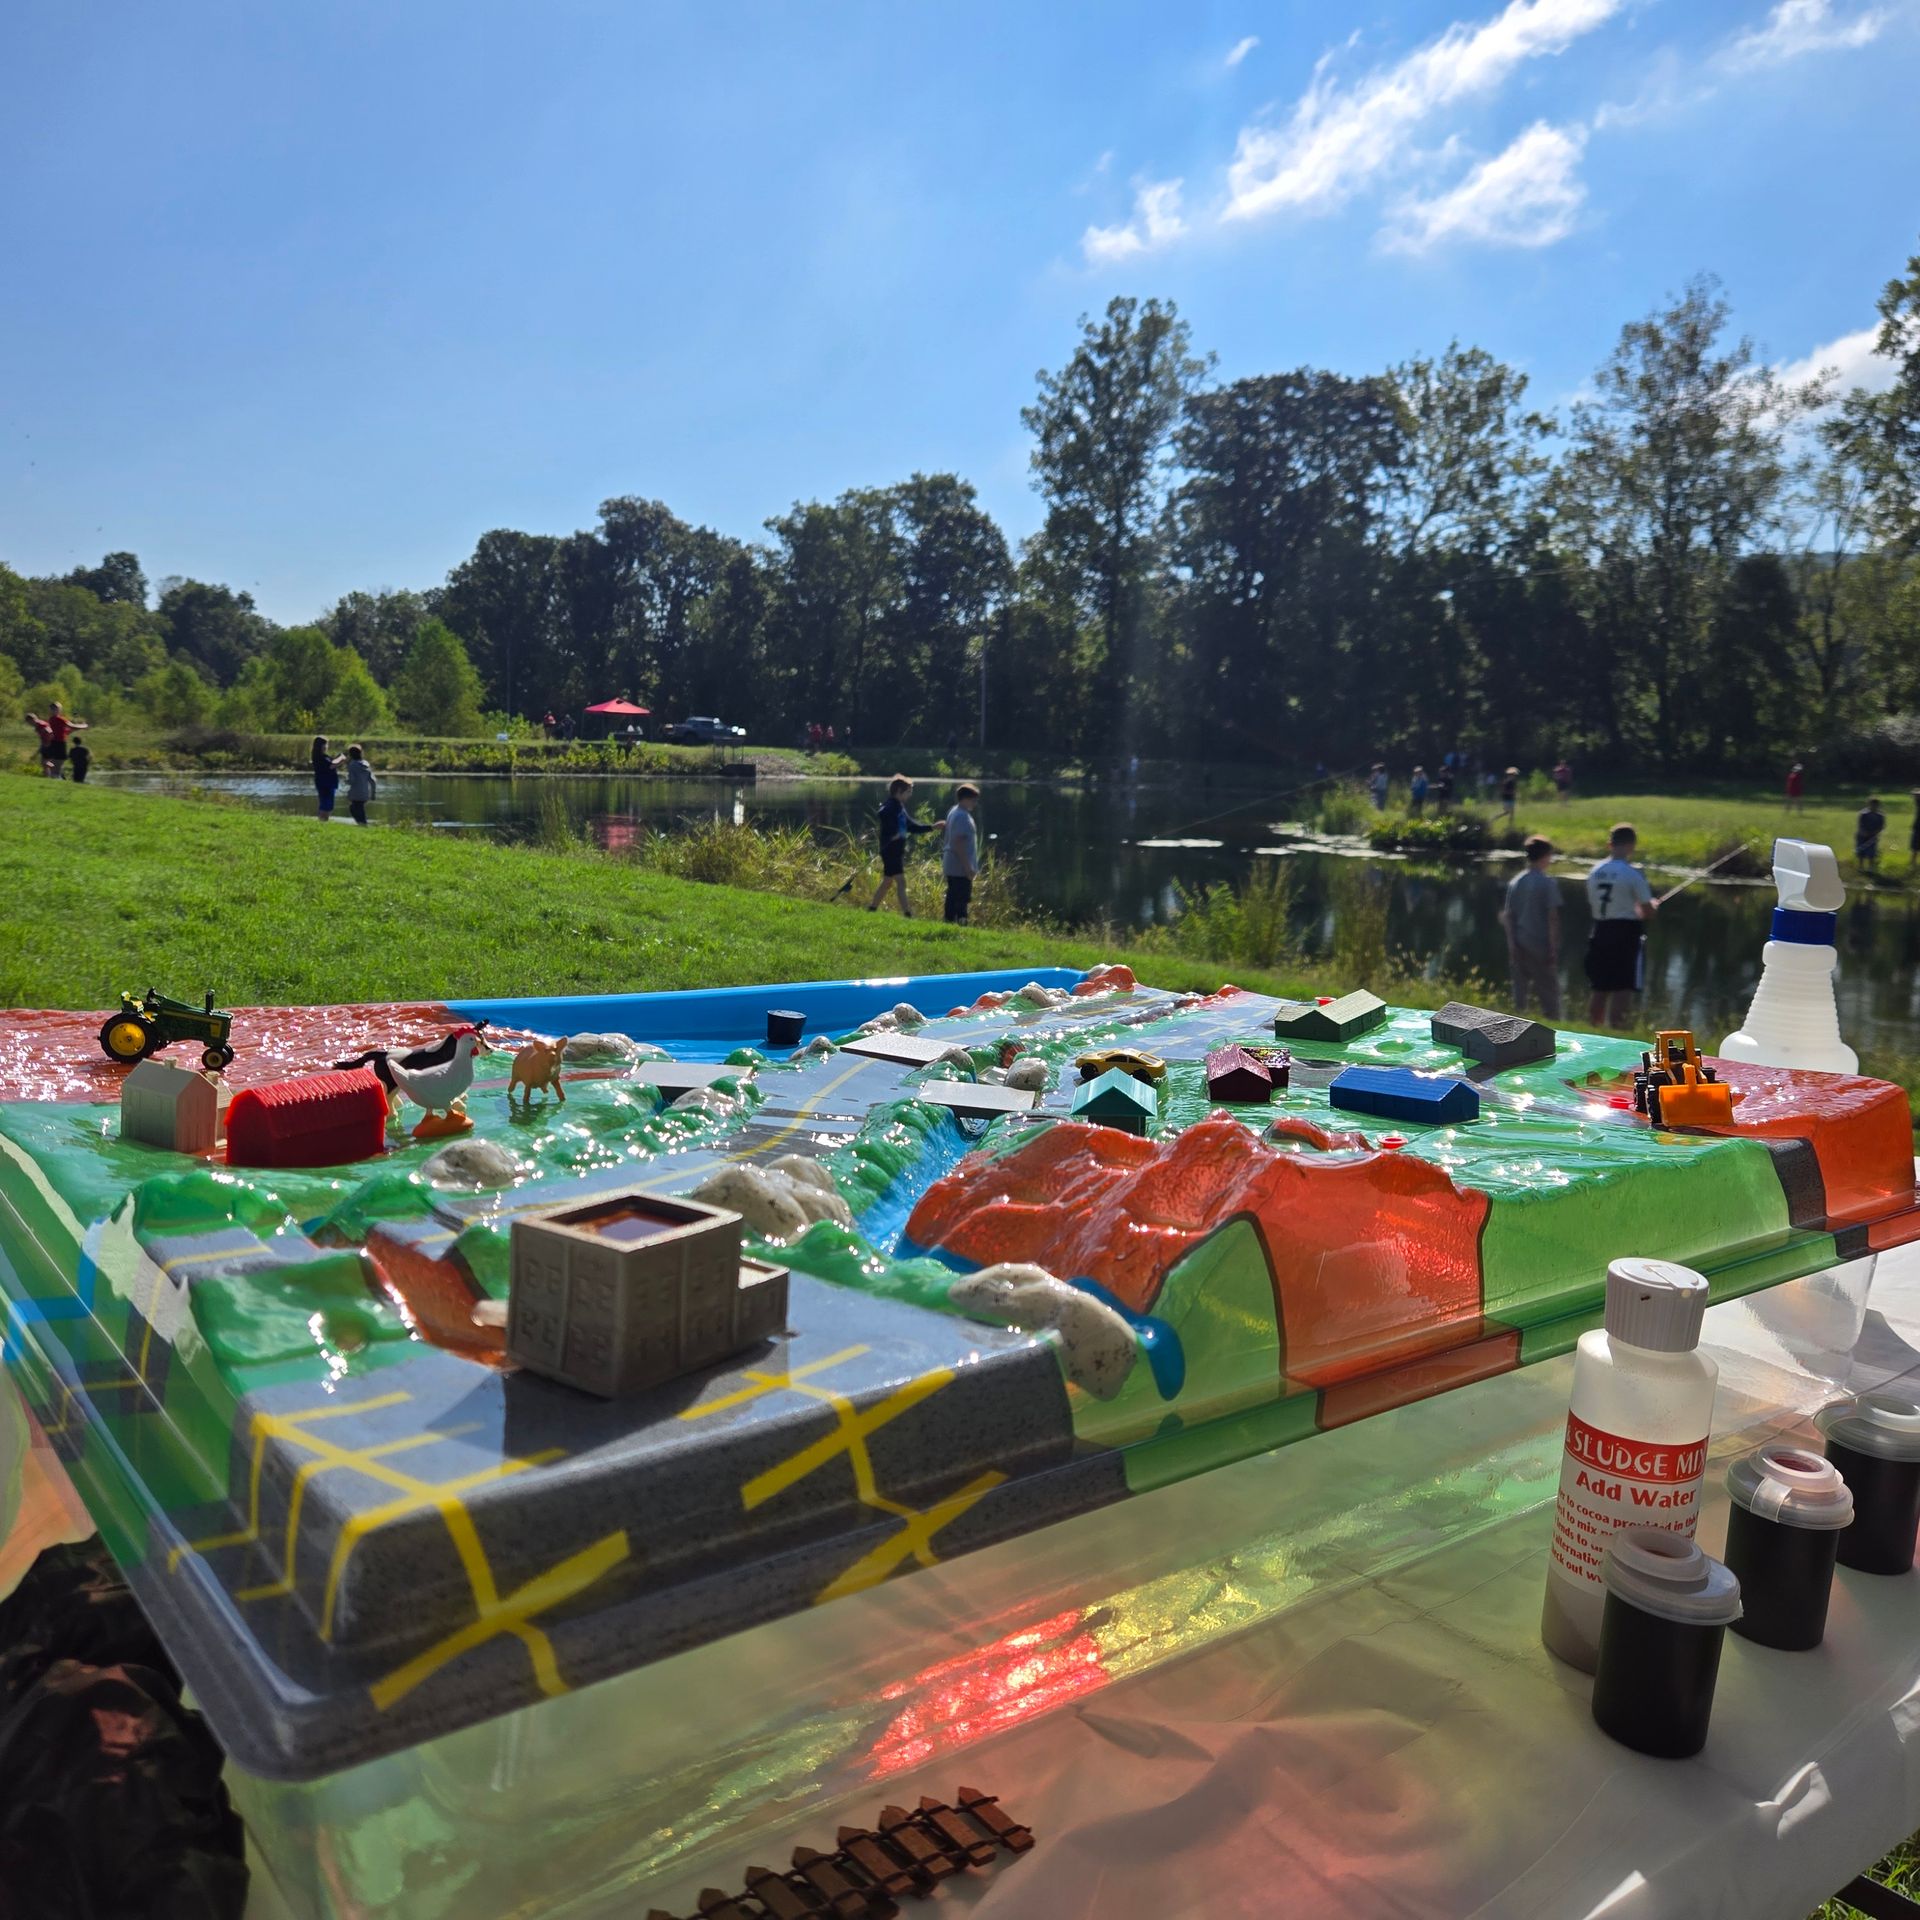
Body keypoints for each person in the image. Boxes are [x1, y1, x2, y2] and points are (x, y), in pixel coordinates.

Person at [1584, 823, 1656, 1030]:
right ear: (1631, 846)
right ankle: (1618, 1030)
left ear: (1610, 844)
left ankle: (1594, 1029)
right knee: (1623, 986)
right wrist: (1652, 906)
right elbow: (1647, 912)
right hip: (1626, 933)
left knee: (1599, 986)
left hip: (1599, 930)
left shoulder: (1594, 871)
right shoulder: (1632, 874)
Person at [1502, 835, 1562, 1018]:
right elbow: (1552, 917)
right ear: (1544, 856)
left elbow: (1509, 916)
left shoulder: (1516, 882)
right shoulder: (1547, 883)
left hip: (1519, 940)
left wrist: (1511, 944)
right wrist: (1553, 947)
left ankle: (1517, 1023)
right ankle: (1553, 1023)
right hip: (1540, 943)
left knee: (1520, 991)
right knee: (1548, 991)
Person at [866, 775, 935, 914]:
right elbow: (882, 813)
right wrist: (894, 831)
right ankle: (907, 913)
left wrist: (932, 827)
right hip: (890, 850)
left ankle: (872, 908)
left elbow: (912, 826)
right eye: (908, 792)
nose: (910, 795)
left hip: (896, 851)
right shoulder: (891, 805)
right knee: (901, 881)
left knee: (887, 882)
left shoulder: (900, 807)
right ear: (899, 791)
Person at [942, 783, 981, 923]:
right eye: (974, 800)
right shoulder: (962, 816)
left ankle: (949, 922)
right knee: (962, 898)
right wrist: (968, 867)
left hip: (952, 864)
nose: (975, 803)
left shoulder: (954, 811)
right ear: (965, 799)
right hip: (959, 866)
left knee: (953, 895)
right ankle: (961, 924)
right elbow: (958, 843)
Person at [28, 700, 87, 778]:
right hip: (59, 743)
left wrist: (75, 728)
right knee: (58, 765)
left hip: (53, 743)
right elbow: (72, 726)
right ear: (57, 710)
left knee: (52, 764)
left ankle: (56, 777)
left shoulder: (51, 719)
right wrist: (84, 726)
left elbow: (65, 731)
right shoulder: (60, 719)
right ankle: (57, 778)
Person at [342, 744, 377, 826]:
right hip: (365, 793)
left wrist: (346, 780)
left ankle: (363, 825)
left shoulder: (352, 765)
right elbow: (372, 780)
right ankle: (362, 824)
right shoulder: (366, 764)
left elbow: (352, 781)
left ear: (350, 754)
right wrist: (373, 793)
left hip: (355, 793)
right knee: (358, 808)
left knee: (354, 809)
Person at [311, 734, 340, 820]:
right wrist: (341, 759)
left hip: (326, 783)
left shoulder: (323, 756)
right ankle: (323, 820)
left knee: (327, 804)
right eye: (325, 744)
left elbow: (332, 763)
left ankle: (323, 820)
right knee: (326, 804)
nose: (327, 746)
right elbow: (331, 765)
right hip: (325, 783)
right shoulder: (320, 757)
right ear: (321, 745)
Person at [1856, 795, 1887, 873]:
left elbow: (1882, 826)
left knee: (1872, 852)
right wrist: (1864, 832)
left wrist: (1876, 832)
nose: (1874, 806)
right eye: (1872, 804)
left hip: (1873, 836)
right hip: (1862, 835)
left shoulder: (1880, 815)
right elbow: (1860, 824)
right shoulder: (1864, 813)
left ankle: (1870, 867)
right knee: (1861, 851)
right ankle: (1861, 866)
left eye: (1875, 805)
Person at [1910, 790, 1920, 875]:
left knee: (1915, 847)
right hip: (1918, 827)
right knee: (1915, 847)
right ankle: (1913, 863)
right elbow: (1915, 793)